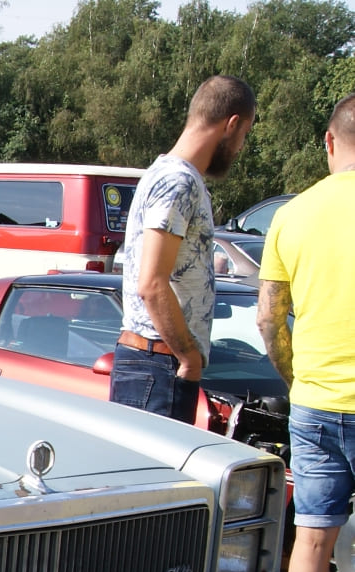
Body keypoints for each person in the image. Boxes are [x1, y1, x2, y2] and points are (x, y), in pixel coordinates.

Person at [110, 75, 257, 423]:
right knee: (155, 477)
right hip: (158, 364)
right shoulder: (178, 181)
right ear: (231, 123)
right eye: (244, 135)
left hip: (156, 363)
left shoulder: (171, 176)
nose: (240, 147)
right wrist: (189, 358)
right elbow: (152, 283)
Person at [258, 93, 355, 572]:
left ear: (329, 141)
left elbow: (269, 319)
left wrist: (298, 379)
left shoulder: (292, 214)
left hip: (316, 401)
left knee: (312, 538)